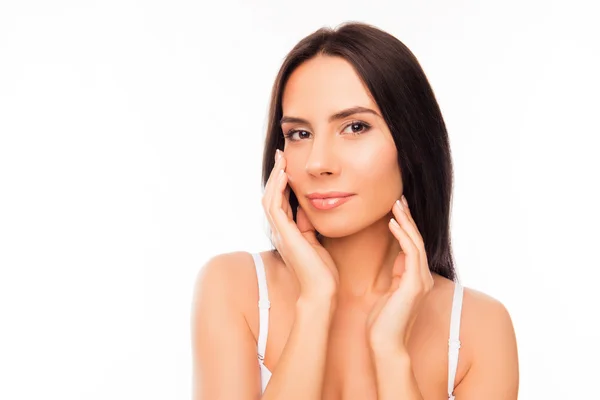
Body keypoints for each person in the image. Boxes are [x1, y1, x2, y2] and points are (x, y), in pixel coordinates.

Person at [191, 21, 519, 399]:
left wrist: (390, 353)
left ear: (412, 143)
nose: (318, 163)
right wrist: (315, 302)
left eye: (355, 127)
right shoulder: (234, 288)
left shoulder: (479, 329)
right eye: (300, 133)